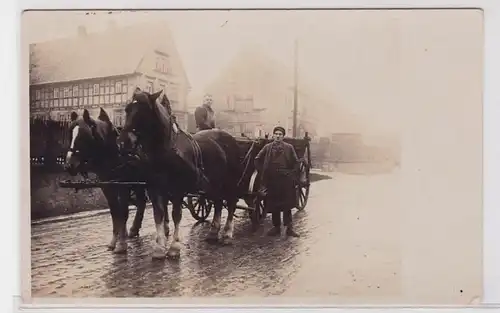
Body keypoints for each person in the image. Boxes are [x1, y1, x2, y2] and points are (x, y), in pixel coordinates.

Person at [254, 126, 300, 237]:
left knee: (287, 205)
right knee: (274, 204)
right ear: (273, 135)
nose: (278, 136)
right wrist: (262, 172)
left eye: (280, 134)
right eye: (276, 134)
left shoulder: (289, 148)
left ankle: (289, 228)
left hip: (285, 180)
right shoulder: (267, 147)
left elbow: (296, 162)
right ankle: (276, 227)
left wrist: (291, 174)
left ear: (283, 136)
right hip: (272, 180)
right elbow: (257, 159)